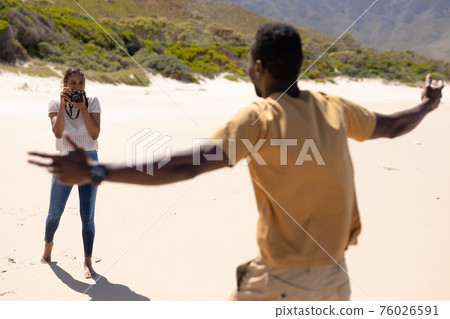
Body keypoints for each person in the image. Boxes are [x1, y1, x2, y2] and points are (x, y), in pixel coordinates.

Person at [29, 24, 443, 299]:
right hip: (337, 280)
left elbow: (188, 164)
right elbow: (392, 125)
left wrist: (99, 171)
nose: (247, 68)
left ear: (259, 68)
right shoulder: (335, 107)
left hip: (279, 282)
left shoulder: (259, 116)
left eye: (248, 61)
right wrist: (426, 106)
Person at [40, 67, 101, 279]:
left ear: (85, 86)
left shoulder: (92, 102)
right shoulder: (55, 104)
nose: (77, 87)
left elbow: (94, 134)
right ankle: (48, 244)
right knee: (55, 212)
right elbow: (58, 133)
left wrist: (82, 108)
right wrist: (65, 103)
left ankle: (87, 262)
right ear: (65, 83)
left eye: (81, 84)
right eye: (72, 83)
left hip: (89, 161)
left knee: (88, 216)